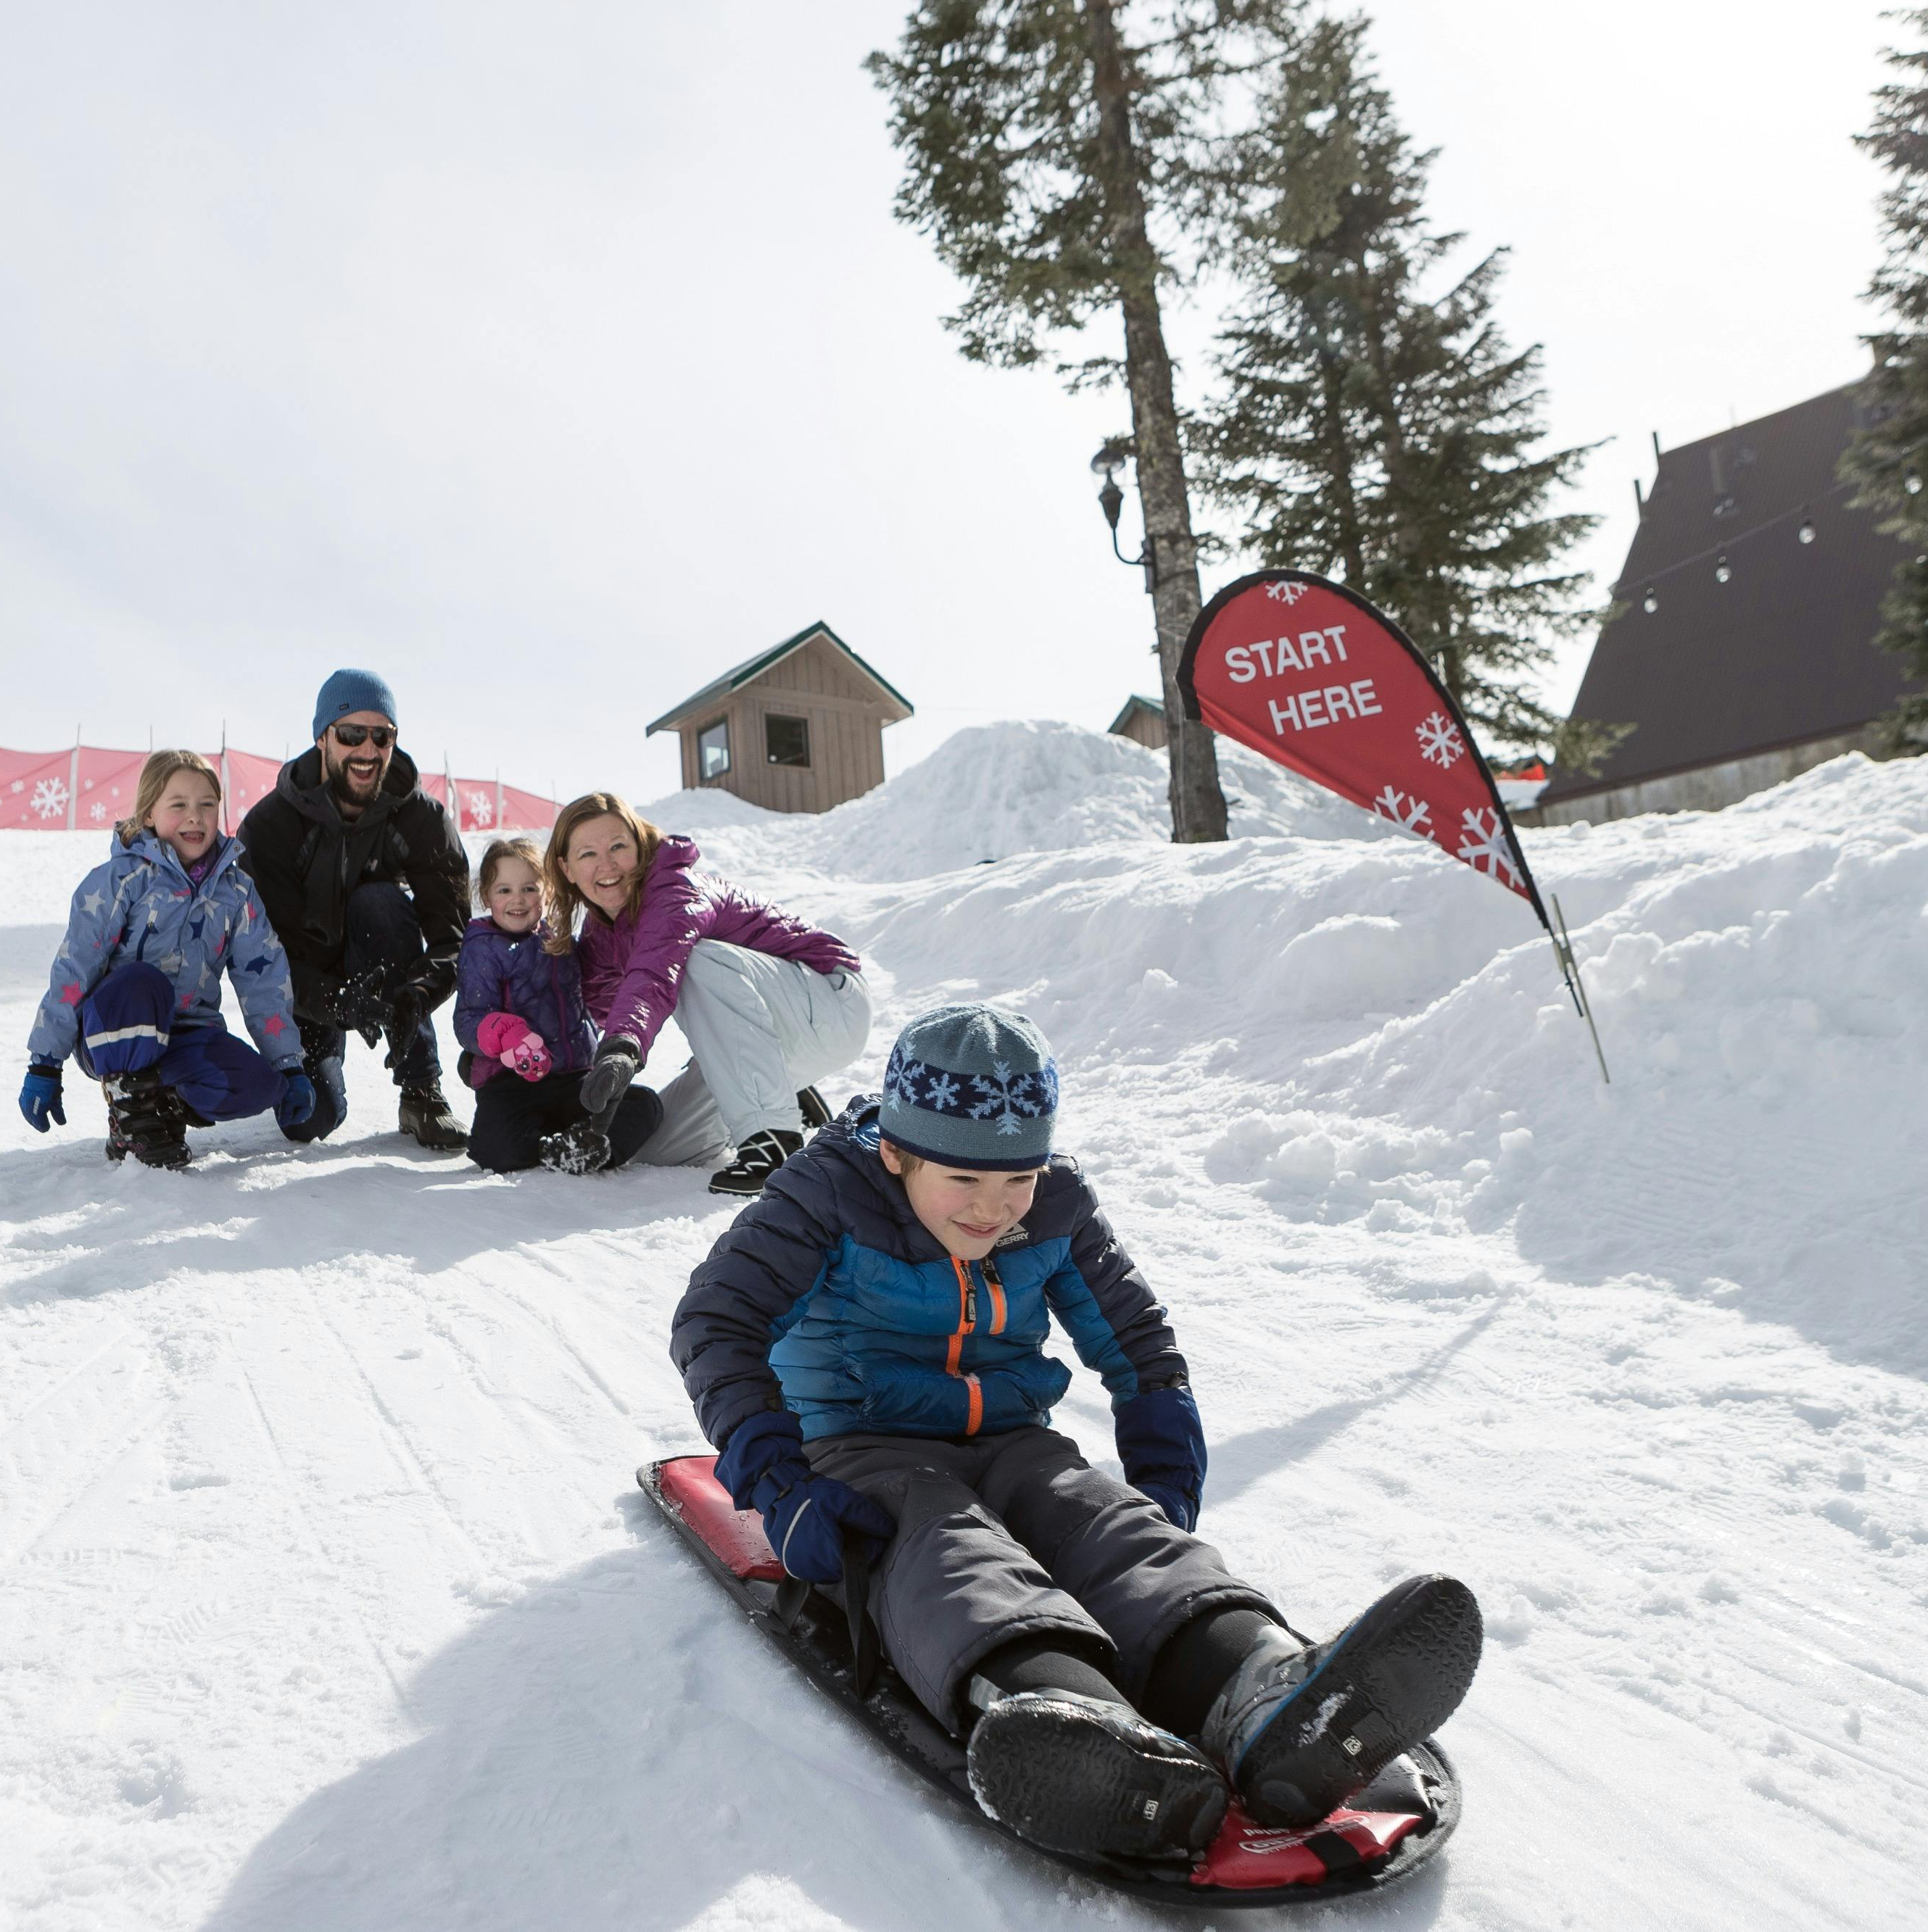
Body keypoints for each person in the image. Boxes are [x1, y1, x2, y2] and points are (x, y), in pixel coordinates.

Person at [666, 1003, 1483, 1867]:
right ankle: (1067, 1718)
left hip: (1012, 1434)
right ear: (897, 1152)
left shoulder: (1052, 1204)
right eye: (965, 1183)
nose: (993, 1211)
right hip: (856, 1447)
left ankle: (1265, 1695)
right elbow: (716, 1323)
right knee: (944, 1546)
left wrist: (1161, 1475)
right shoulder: (824, 1195)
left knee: (1106, 1525)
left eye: (1016, 1180)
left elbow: (1136, 1342)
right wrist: (781, 1483)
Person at [547, 792, 867, 1196]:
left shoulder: (674, 891)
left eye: (618, 847)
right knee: (661, 1148)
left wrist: (623, 1048)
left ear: (640, 847)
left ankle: (772, 1138)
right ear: (567, 869)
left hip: (829, 1002)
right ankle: (782, 1090)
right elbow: (609, 1012)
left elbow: (652, 977)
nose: (607, 864)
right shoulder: (600, 936)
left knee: (698, 959)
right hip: (773, 1035)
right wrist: (596, 1100)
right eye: (588, 854)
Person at [19, 750, 318, 1170]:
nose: (194, 817)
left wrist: (287, 1065)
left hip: (185, 1034)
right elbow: (75, 968)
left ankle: (164, 1104)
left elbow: (263, 979)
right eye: (178, 805)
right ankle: (132, 1116)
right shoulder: (121, 879)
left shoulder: (235, 891)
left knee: (257, 1085)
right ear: (148, 815)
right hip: (114, 1031)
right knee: (143, 982)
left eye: (207, 805)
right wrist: (45, 1063)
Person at [236, 669, 471, 1153]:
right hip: (308, 985)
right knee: (310, 1120)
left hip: (381, 956)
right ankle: (302, 1065)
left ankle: (421, 1089)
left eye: (381, 735)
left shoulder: (421, 817)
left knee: (379, 900)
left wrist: (418, 996)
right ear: (323, 737)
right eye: (351, 734)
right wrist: (335, 1001)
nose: (368, 750)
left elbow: (454, 938)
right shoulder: (269, 827)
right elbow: (262, 955)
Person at [456, 837, 665, 1174]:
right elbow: (469, 1018)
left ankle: (589, 1148)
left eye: (529, 888)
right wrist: (504, 1034)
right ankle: (548, 1148)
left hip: (573, 1079)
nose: (518, 900)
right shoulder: (482, 949)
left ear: (547, 891)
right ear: (486, 896)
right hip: (512, 1084)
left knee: (645, 1105)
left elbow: (593, 991)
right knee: (492, 1149)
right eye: (504, 890)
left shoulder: (561, 940)